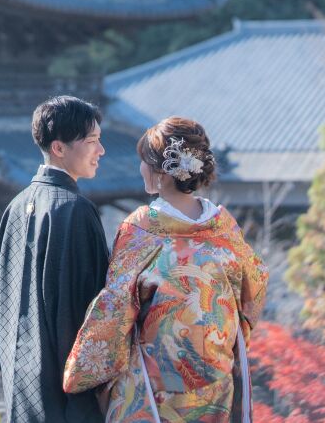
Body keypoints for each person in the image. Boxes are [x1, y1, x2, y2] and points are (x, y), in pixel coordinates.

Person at [63, 116, 268, 423]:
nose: (140, 169)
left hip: (158, 386)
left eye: (144, 161)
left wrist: (84, 368)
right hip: (216, 378)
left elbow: (116, 304)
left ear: (161, 170)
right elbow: (255, 287)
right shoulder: (224, 226)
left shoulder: (142, 228)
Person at [0, 95, 110, 423]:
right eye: (92, 142)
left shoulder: (15, 206)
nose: (101, 151)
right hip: (68, 394)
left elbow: (2, 308)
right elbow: (96, 310)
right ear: (59, 148)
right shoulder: (74, 209)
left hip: (23, 387)